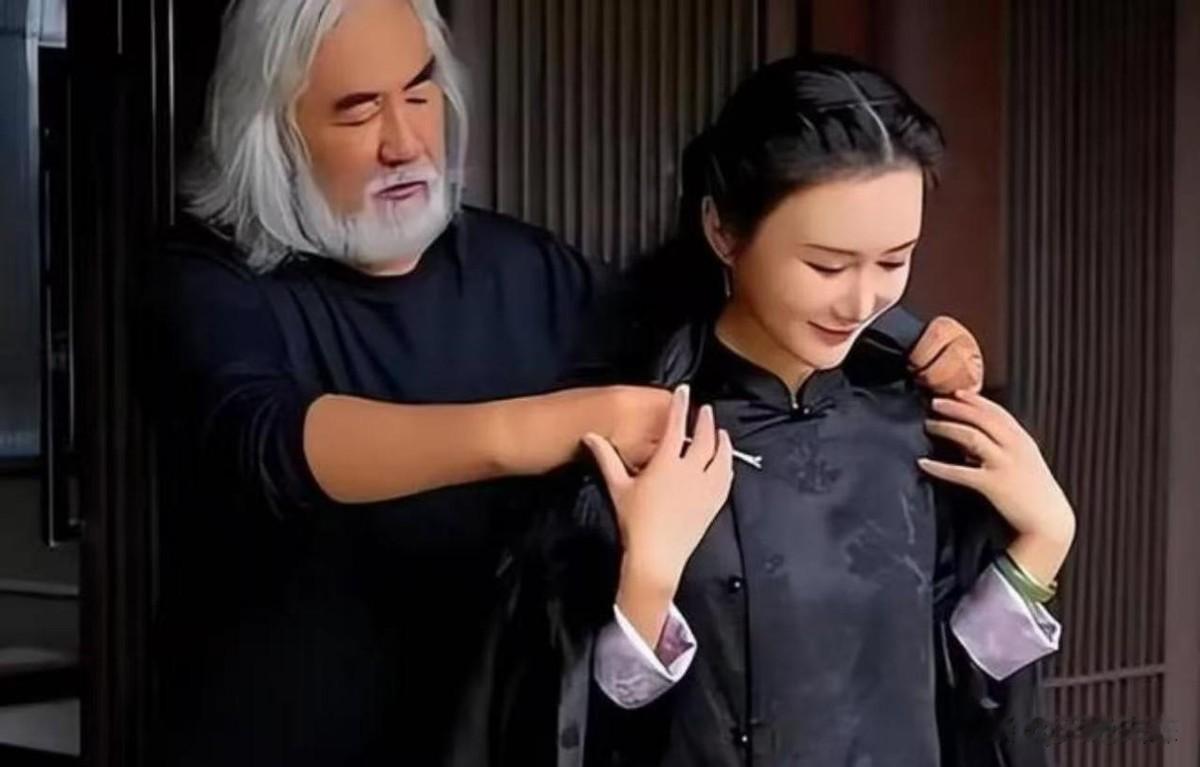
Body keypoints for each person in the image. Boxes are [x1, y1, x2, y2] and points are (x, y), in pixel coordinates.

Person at [145, 1, 990, 764]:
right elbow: (263, 440)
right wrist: (555, 423)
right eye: (359, 110)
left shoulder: (527, 268)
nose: (405, 140)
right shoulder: (212, 283)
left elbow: (726, 292)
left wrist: (905, 338)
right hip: (278, 732)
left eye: (420, 92)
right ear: (272, 129)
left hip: (488, 724)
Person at [464, 54, 1075, 767]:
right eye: (827, 266)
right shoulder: (642, 432)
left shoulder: (921, 424)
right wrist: (648, 582)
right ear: (723, 231)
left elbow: (954, 695)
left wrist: (1040, 546)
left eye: (893, 261)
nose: (861, 301)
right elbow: (566, 729)